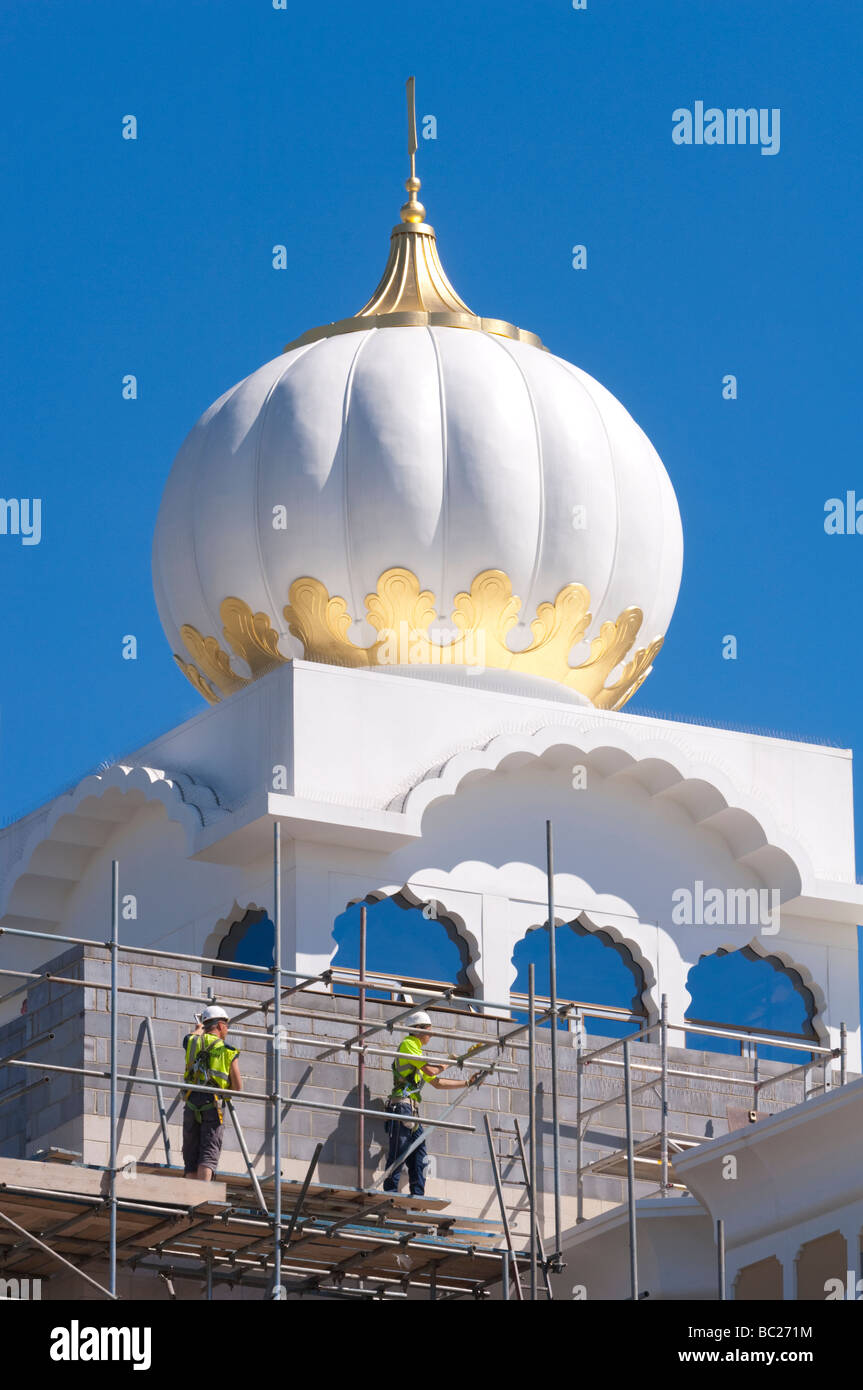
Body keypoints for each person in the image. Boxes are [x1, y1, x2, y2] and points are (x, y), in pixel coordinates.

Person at [383, 1010, 482, 1197]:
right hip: (401, 1107)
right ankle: (389, 1195)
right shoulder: (408, 1044)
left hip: (411, 1111)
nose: (431, 1034)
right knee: (399, 1153)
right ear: (418, 1030)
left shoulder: (417, 1052)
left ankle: (418, 1197)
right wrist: (447, 1063)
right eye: (429, 1029)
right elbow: (431, 1071)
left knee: (419, 1157)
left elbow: (437, 1083)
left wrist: (468, 1083)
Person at [182, 1004, 242, 1181]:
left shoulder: (191, 1041)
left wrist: (198, 1029)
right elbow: (238, 1086)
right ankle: (203, 1193)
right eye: (226, 1026)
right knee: (209, 1150)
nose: (227, 1030)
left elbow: (192, 1037)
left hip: (191, 1100)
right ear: (221, 1026)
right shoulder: (228, 1050)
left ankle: (189, 1197)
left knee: (191, 1153)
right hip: (213, 1103)